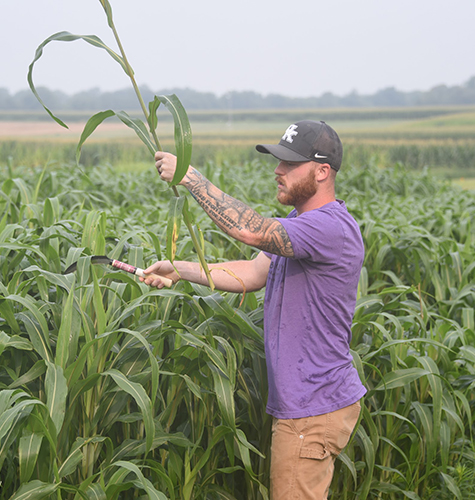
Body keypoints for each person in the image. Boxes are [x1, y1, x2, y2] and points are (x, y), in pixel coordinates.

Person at [141, 120, 366, 499]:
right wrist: (180, 270)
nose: (278, 171)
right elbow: (253, 270)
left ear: (322, 171)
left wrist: (190, 178)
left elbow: (251, 230)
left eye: (290, 164)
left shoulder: (329, 228)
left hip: (311, 408)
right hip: (309, 404)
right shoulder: (302, 223)